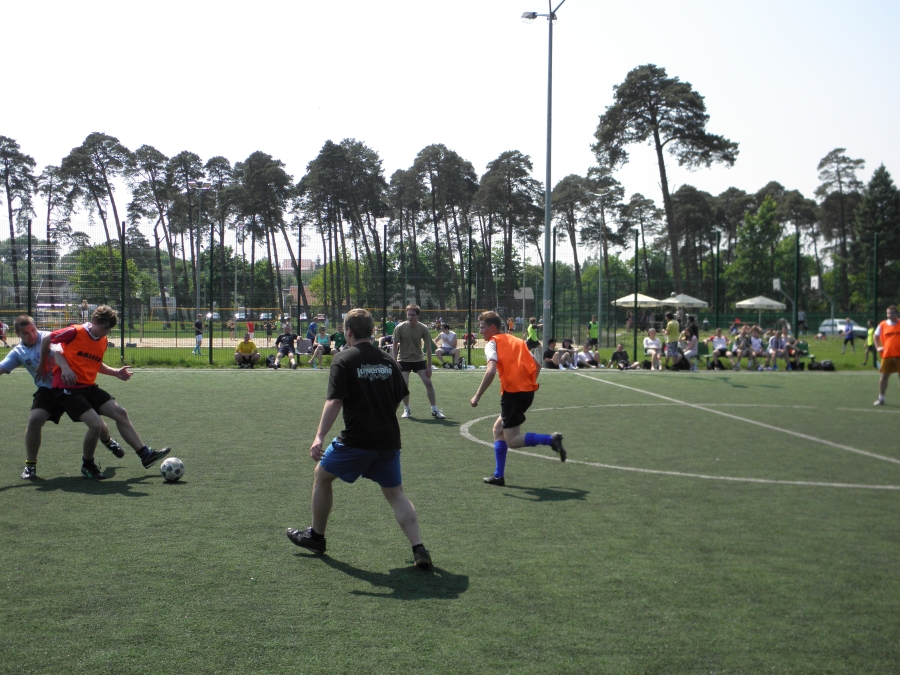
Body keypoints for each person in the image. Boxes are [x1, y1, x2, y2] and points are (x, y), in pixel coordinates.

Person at [286, 308, 432, 569]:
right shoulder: (388, 361)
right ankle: (419, 548)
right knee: (396, 494)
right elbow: (399, 397)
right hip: (388, 440)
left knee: (322, 475)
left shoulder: (343, 359)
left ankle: (316, 537)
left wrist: (319, 436)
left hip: (356, 440)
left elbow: (334, 401)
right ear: (372, 331)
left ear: (349, 332)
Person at [37, 305, 170, 479]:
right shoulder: (75, 332)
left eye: (109, 329)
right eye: (104, 327)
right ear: (94, 321)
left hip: (87, 386)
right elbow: (47, 339)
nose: (106, 332)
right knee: (96, 425)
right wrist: (44, 364)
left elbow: (95, 363)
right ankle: (88, 465)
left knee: (120, 413)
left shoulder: (102, 340)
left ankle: (145, 454)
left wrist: (115, 372)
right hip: (66, 388)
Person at [1, 315, 122, 479]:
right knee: (35, 420)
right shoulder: (18, 352)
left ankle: (108, 442)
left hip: (71, 386)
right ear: (17, 334)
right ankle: (30, 465)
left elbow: (58, 349)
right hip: (48, 390)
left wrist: (62, 367)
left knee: (96, 423)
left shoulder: (47, 338)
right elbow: (2, 367)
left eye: (33, 330)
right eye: (26, 333)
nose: (32, 335)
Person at [470, 311, 566, 486]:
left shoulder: (492, 343)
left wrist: (477, 396)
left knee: (512, 440)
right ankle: (498, 476)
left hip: (512, 394)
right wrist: (526, 384)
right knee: (498, 430)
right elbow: (537, 365)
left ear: (492, 328)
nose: (480, 331)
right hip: (527, 392)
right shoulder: (517, 341)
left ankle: (550, 440)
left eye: (482, 328)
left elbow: (490, 371)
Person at [392, 304, 445, 419]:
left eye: (413, 315)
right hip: (403, 360)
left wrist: (429, 366)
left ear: (418, 316)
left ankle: (434, 409)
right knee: (404, 385)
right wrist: (395, 361)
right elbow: (394, 345)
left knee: (428, 382)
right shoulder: (399, 328)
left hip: (418, 359)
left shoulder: (423, 328)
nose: (410, 317)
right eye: (408, 315)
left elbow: (428, 348)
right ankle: (406, 409)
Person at [874, 305, 900, 406]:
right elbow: (875, 336)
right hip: (887, 355)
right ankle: (881, 399)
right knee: (884, 377)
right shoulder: (882, 324)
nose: (889, 315)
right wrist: (878, 347)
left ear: (896, 314)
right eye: (888, 313)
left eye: (892, 313)